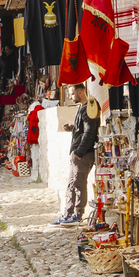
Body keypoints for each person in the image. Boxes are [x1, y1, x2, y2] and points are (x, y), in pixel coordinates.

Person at [57, 90, 99, 226]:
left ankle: (77, 214)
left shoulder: (89, 108)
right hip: (77, 152)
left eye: (72, 93)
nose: (69, 96)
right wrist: (73, 127)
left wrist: (80, 152)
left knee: (78, 184)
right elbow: (83, 129)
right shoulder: (82, 108)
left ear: (80, 92)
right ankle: (67, 214)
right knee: (71, 184)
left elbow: (90, 132)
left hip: (83, 154)